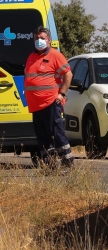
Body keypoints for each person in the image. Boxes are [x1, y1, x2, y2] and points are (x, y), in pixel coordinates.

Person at [24, 26, 74, 168]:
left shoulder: (55, 55)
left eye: (42, 38)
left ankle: (67, 163)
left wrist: (62, 93)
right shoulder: (31, 57)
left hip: (51, 102)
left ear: (49, 40)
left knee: (57, 134)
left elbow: (68, 74)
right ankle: (49, 164)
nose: (39, 40)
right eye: (36, 38)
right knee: (42, 137)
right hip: (36, 106)